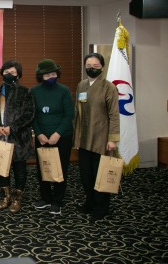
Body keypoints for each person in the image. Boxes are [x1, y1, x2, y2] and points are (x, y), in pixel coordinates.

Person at [74, 53, 119, 221]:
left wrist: (112, 139)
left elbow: (114, 115)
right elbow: (77, 112)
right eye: (88, 66)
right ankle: (90, 202)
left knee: (100, 175)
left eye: (95, 66)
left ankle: (102, 207)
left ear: (102, 67)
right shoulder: (81, 85)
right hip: (84, 138)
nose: (91, 68)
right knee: (86, 175)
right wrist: (76, 137)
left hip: (102, 139)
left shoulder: (109, 87)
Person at [0, 60, 35, 213]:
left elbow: (29, 114)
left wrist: (12, 128)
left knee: (19, 169)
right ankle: (6, 196)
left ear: (18, 75)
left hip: (19, 138)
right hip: (0, 137)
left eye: (13, 72)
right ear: (2, 73)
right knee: (2, 168)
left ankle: (17, 198)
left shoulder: (25, 92)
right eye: (6, 72)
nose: (9, 74)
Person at [30, 59, 74, 215]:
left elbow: (69, 115)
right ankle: (46, 198)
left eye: (53, 74)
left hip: (62, 137)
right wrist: (39, 134)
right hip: (42, 138)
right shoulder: (34, 91)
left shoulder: (64, 91)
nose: (51, 77)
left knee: (60, 168)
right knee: (43, 168)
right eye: (47, 75)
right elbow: (32, 115)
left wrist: (58, 133)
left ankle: (57, 200)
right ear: (40, 76)